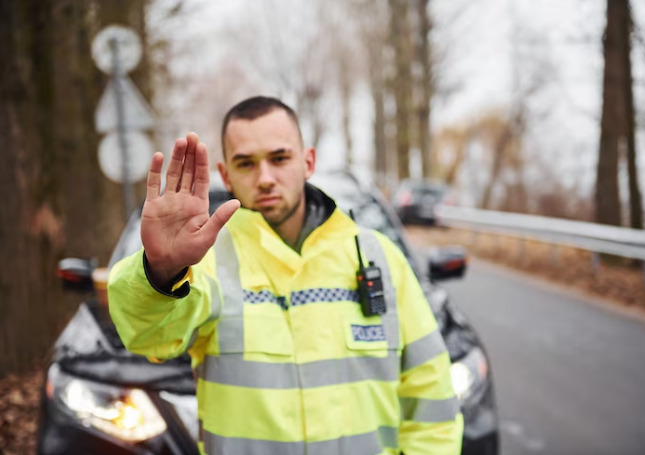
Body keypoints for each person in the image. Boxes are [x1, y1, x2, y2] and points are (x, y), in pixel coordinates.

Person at [108, 96, 464, 455]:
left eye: (279, 158)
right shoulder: (206, 263)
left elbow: (431, 400)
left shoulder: (381, 260)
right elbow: (149, 337)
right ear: (226, 174)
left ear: (308, 161)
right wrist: (163, 269)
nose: (265, 179)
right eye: (246, 164)